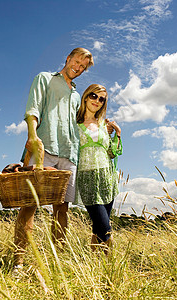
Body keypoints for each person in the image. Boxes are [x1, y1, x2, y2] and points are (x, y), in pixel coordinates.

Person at [13, 48, 94, 269]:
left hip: (69, 154)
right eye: (76, 62)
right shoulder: (45, 78)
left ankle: (56, 263)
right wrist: (32, 137)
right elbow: (33, 109)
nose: (77, 68)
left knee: (62, 208)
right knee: (29, 205)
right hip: (43, 148)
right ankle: (18, 263)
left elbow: (79, 126)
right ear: (68, 58)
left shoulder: (77, 95)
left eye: (82, 67)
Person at [74, 84, 122, 254]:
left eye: (102, 99)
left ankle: (94, 265)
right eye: (94, 96)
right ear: (86, 96)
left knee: (98, 229)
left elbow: (111, 153)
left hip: (107, 177)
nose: (97, 101)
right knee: (104, 226)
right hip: (87, 177)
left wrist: (117, 135)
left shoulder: (103, 125)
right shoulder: (75, 123)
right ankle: (111, 265)